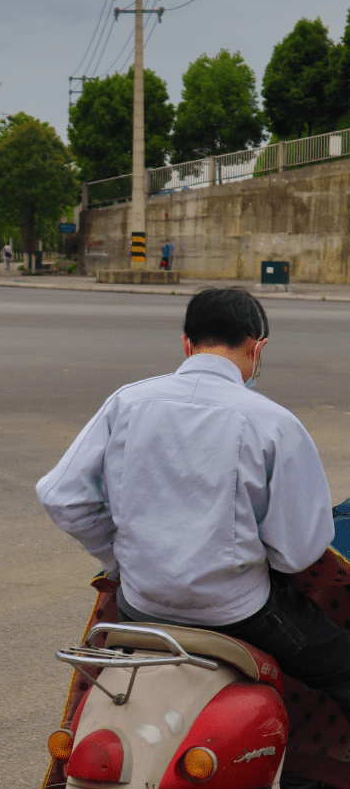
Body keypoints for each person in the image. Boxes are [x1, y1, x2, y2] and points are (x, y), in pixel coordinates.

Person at [36, 287, 350, 720]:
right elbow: (298, 550)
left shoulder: (127, 402)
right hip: (237, 612)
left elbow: (62, 497)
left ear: (186, 343)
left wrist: (122, 555)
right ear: (257, 347)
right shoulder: (273, 423)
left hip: (140, 606)